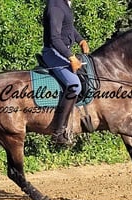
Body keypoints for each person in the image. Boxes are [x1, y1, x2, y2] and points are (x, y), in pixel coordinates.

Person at [41, 0, 90, 145]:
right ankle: (58, 132)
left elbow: (68, 27)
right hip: (53, 53)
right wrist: (71, 57)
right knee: (75, 85)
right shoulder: (56, 6)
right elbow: (55, 38)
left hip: (62, 52)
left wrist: (81, 40)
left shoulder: (65, 3)